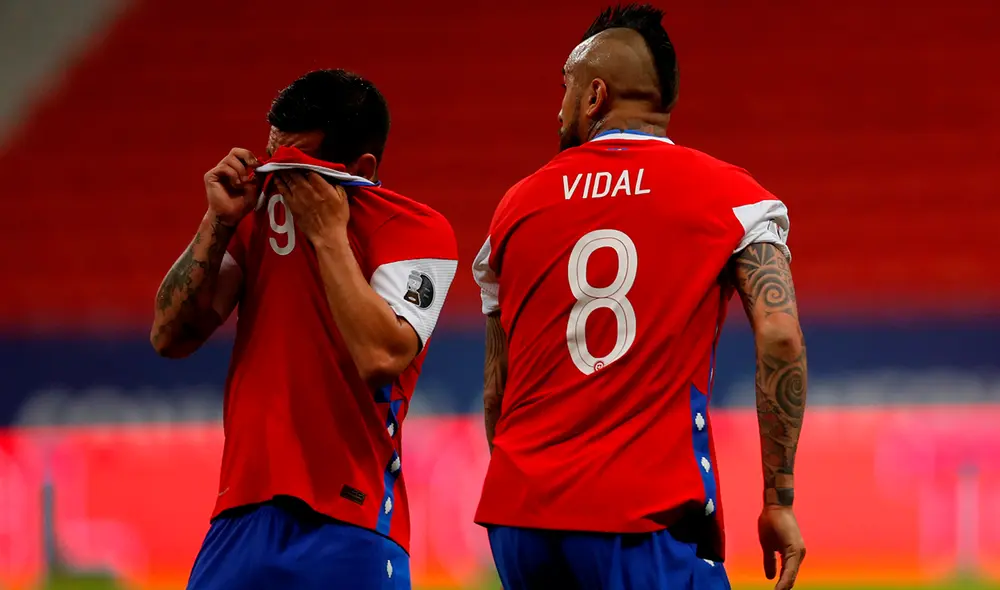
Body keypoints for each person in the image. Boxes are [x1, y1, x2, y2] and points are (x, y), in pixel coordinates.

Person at [472, 5, 807, 590]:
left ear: (595, 95)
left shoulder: (514, 209)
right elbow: (780, 335)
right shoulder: (735, 198)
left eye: (565, 88)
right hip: (640, 518)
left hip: (520, 521)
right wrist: (778, 498)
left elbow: (497, 390)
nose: (560, 106)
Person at [150, 69, 458, 590]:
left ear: (360, 167)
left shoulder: (418, 231)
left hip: (352, 524)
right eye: (271, 158)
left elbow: (382, 356)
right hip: (238, 520)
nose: (276, 179)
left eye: (294, 166)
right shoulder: (254, 218)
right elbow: (169, 335)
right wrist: (218, 222)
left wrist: (328, 236)